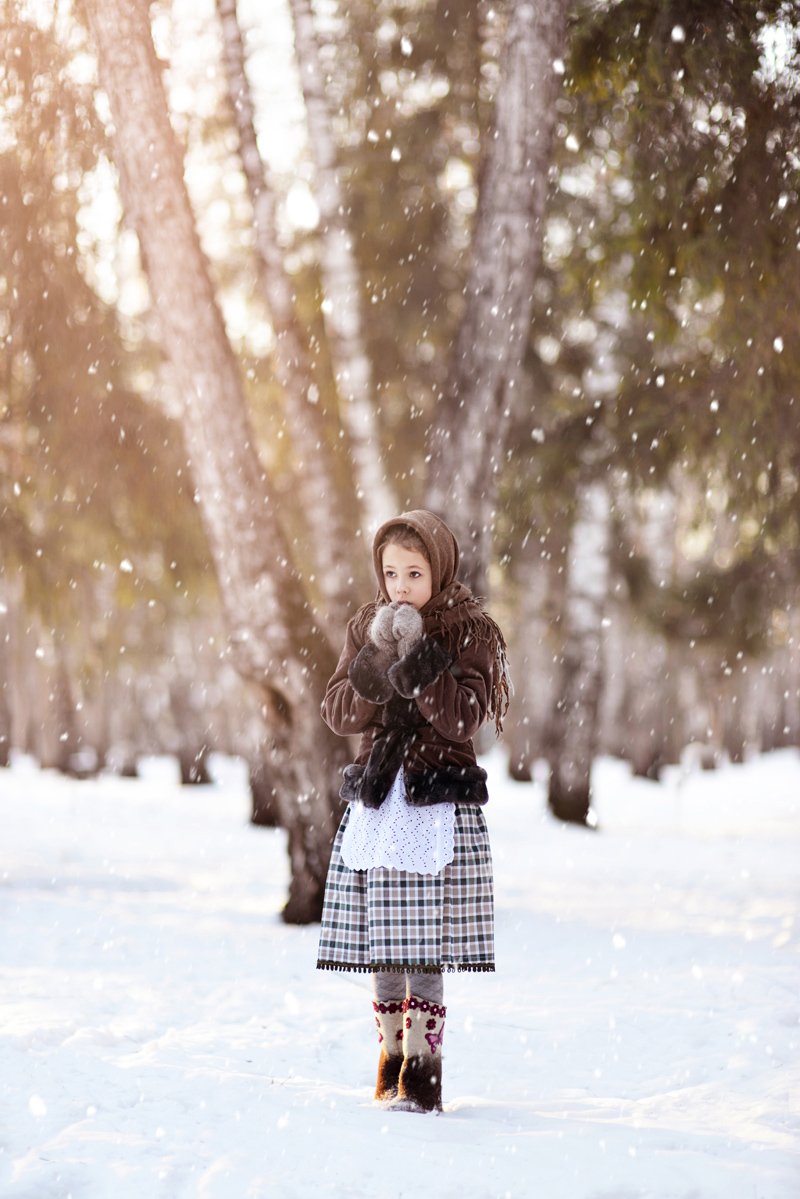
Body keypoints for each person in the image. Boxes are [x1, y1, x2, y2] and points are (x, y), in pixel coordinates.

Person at [316, 509, 510, 1113]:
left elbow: (462, 718)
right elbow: (340, 713)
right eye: (391, 573)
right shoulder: (365, 628)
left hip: (435, 803)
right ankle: (391, 1060)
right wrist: (376, 664)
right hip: (381, 802)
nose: (400, 587)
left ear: (440, 570)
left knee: (422, 942)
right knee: (386, 941)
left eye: (415, 573)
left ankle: (424, 1075)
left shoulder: (468, 633)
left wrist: (421, 658)